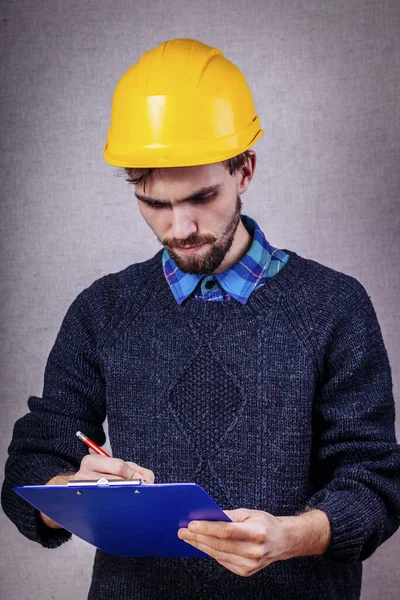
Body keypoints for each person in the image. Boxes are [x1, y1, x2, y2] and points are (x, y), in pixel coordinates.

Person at [2, 38, 400, 600]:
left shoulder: (334, 306)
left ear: (245, 170)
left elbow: (377, 483)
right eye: (154, 203)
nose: (179, 228)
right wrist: (68, 489)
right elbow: (30, 465)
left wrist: (291, 536)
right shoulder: (103, 310)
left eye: (200, 196)